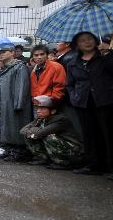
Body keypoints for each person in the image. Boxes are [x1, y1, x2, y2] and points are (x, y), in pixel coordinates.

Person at [66, 31, 113, 176]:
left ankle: (110, 166)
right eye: (82, 40)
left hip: (104, 101)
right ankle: (94, 165)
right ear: (77, 45)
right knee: (89, 135)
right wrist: (74, 97)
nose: (87, 42)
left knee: (108, 134)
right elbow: (70, 84)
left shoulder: (104, 58)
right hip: (83, 103)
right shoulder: (73, 63)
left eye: (90, 39)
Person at [0, 43, 33, 162]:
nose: (1, 54)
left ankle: (19, 151)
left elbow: (22, 86)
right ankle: (9, 149)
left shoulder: (19, 67)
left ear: (12, 52)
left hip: (14, 104)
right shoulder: (3, 69)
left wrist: (19, 103)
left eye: (4, 52)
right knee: (6, 127)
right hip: (4, 103)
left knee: (15, 126)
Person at [21, 95, 83, 170]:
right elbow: (22, 130)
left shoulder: (61, 119)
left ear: (53, 111)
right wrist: (31, 133)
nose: (38, 111)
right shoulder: (41, 118)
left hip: (74, 151)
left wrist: (34, 132)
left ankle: (63, 163)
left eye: (42, 108)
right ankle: (43, 158)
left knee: (49, 137)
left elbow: (40, 133)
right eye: (37, 108)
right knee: (29, 136)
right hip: (63, 147)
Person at [29, 44, 66, 110]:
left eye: (42, 54)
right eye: (36, 55)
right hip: (36, 105)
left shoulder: (56, 67)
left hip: (50, 105)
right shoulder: (34, 70)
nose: (39, 57)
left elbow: (59, 87)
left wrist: (52, 103)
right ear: (33, 57)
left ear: (47, 55)